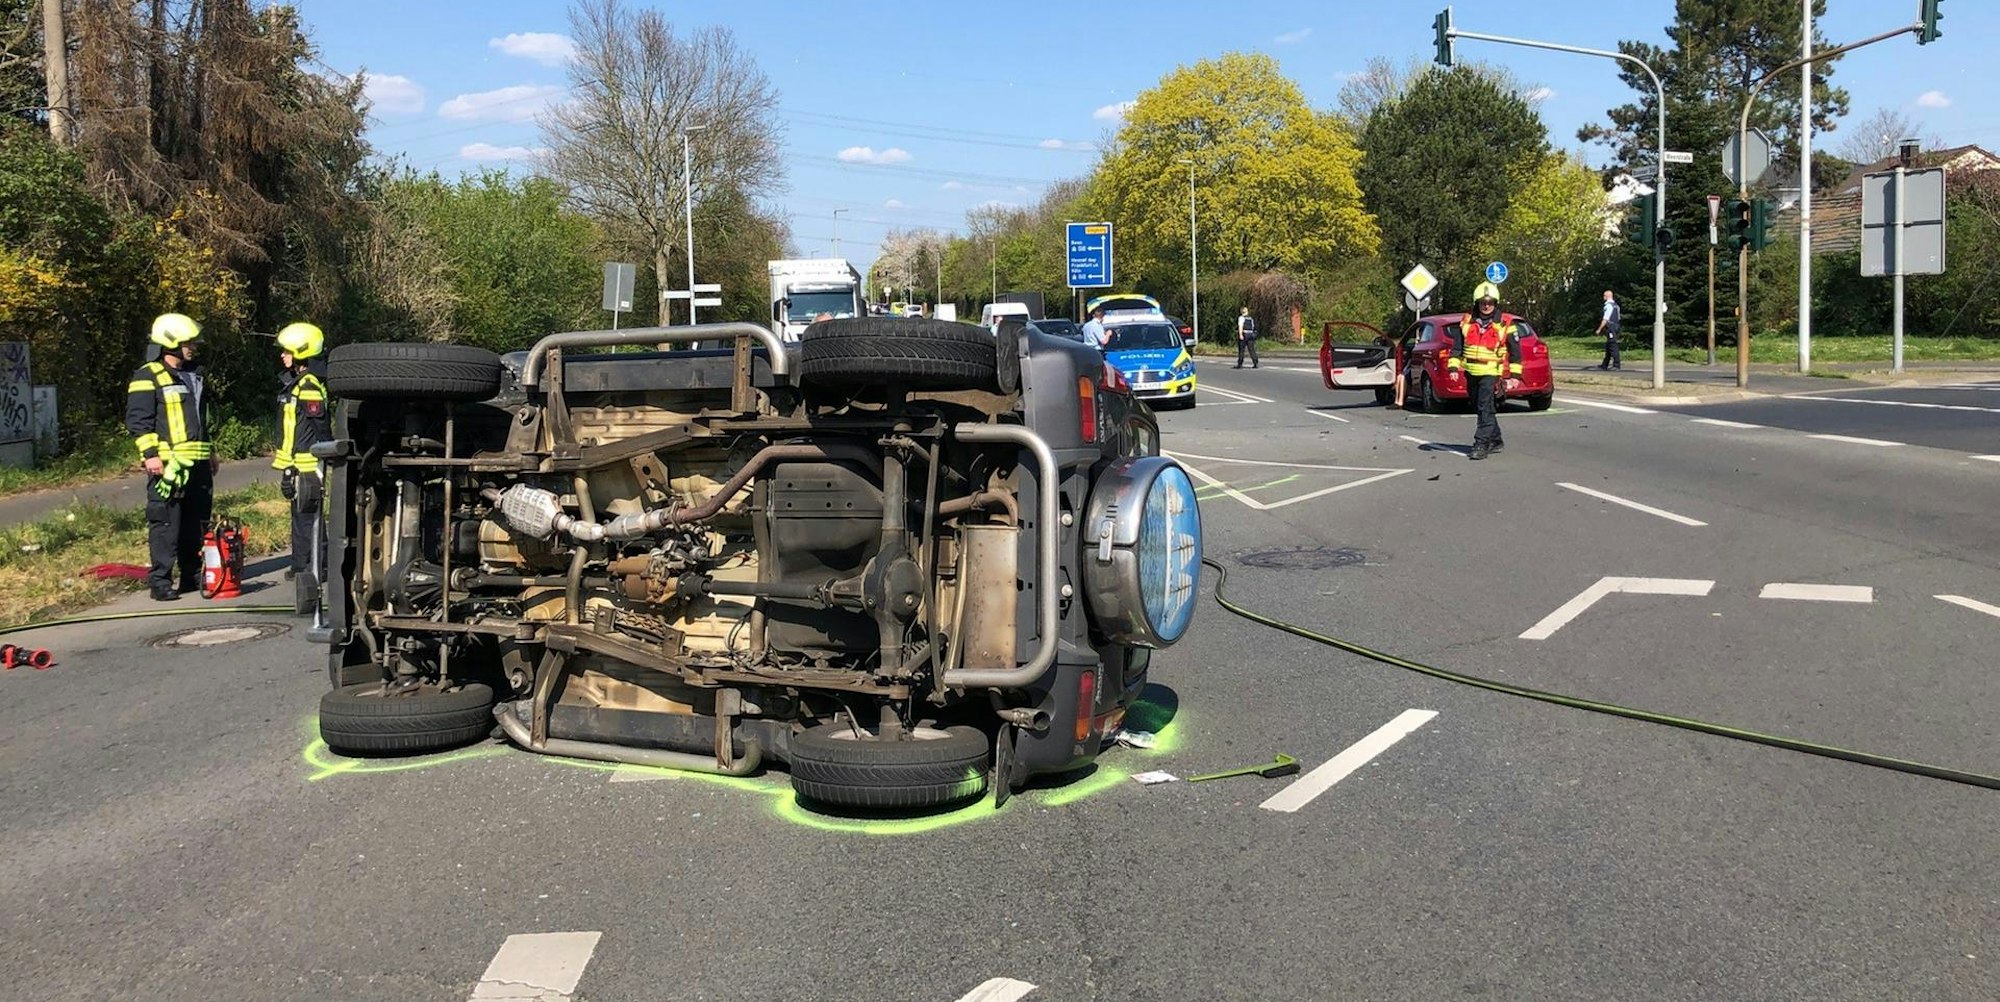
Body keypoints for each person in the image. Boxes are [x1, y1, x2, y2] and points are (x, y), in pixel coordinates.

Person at [126, 313, 216, 601]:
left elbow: (200, 419)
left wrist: (210, 451)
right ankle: (161, 581)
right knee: (165, 523)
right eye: (188, 343)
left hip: (198, 463)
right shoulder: (148, 375)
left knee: (196, 522)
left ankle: (192, 575)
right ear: (171, 343)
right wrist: (150, 455)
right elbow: (138, 421)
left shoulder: (194, 375)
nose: (193, 347)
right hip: (168, 466)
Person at [273, 322, 330, 614]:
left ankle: (316, 565)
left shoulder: (308, 386)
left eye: (287, 351)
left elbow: (319, 427)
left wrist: (325, 457)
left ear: (301, 352)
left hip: (308, 464)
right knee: (299, 515)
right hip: (296, 463)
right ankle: (300, 564)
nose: (283, 355)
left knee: (309, 516)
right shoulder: (295, 383)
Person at [1447, 282, 1521, 461]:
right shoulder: (1466, 321)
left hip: (1490, 371)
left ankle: (1480, 444)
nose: (1486, 306)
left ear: (1495, 303)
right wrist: (1453, 367)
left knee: (1484, 407)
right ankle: (1495, 439)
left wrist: (1515, 376)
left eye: (1490, 302)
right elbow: (1457, 348)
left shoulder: (1505, 323)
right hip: (1471, 371)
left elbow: (1515, 352)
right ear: (1477, 303)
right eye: (1483, 302)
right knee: (1478, 406)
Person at [1596, 289, 1623, 370]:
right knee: (1609, 345)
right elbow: (1618, 317)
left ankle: (1616, 365)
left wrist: (1599, 329)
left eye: (1604, 295)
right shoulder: (1616, 305)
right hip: (1616, 326)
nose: (1603, 297)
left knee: (1613, 346)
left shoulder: (1608, 306)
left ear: (1608, 296)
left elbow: (1605, 319)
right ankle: (1605, 365)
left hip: (1611, 327)